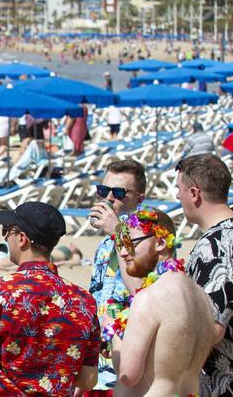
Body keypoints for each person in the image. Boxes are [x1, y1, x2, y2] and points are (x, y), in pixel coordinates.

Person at [0, 201, 99, 394]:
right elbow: (88, 379)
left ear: (22, 239)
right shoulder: (83, 300)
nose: (6, 236)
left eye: (6, 230)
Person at [176, 154, 233, 395]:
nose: (178, 196)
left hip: (225, 384)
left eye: (180, 189)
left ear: (195, 194)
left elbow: (210, 328)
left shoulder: (218, 246)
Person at [108, 207, 217, 397]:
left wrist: (113, 333)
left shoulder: (150, 297)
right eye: (120, 244)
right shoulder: (199, 295)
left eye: (130, 243)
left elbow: (128, 375)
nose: (124, 252)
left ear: (160, 242)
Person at [85, 159, 148, 391]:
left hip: (128, 372)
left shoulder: (150, 242)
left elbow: (143, 292)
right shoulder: (103, 244)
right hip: (97, 371)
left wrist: (118, 232)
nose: (109, 198)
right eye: (103, 191)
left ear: (139, 200)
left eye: (120, 192)